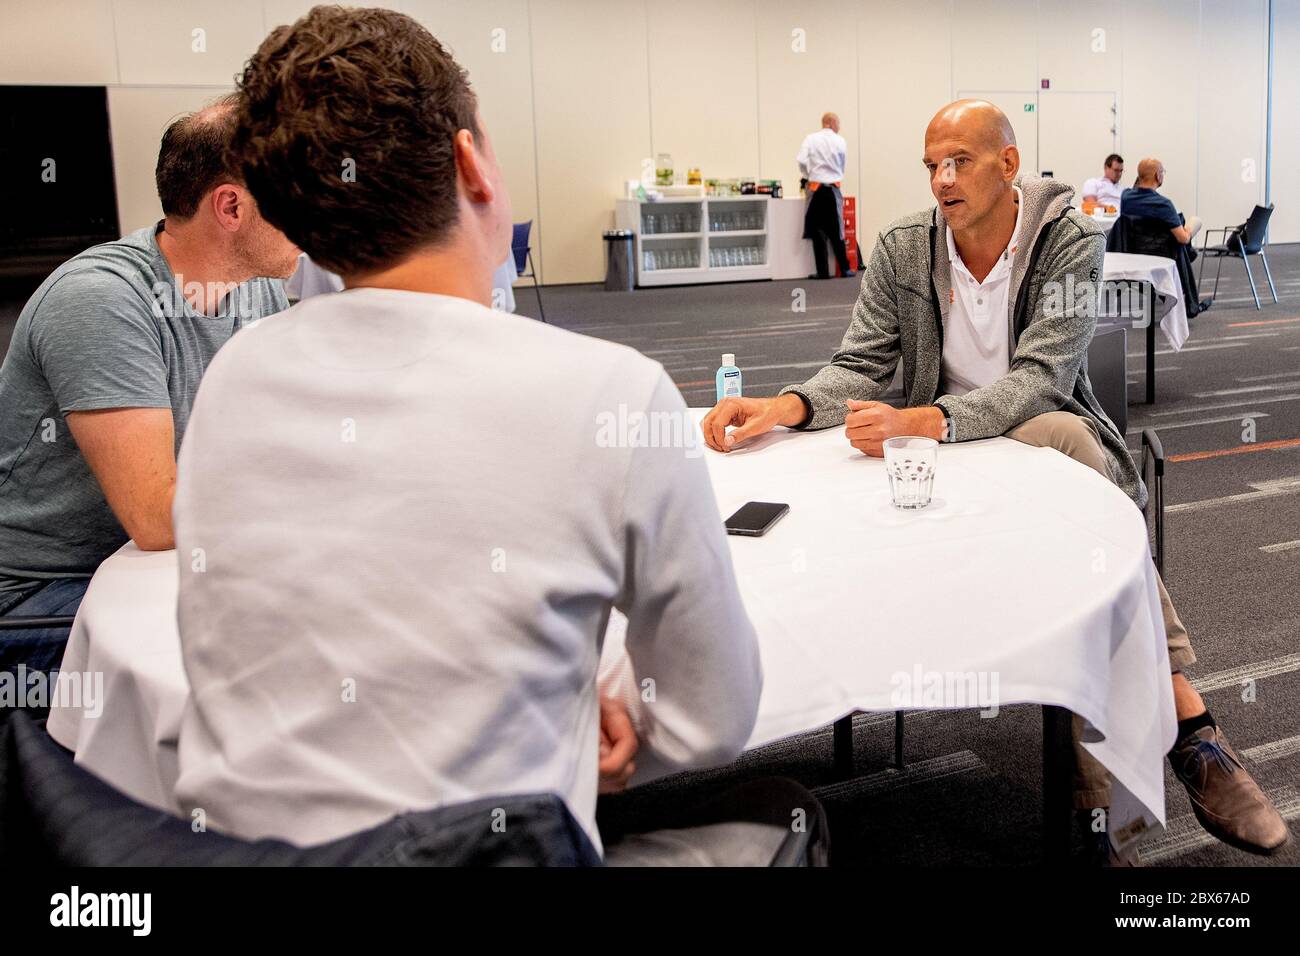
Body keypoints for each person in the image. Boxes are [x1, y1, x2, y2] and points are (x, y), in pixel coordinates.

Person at [170, 6, 766, 862]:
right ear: (470, 164)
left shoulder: (232, 380)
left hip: (233, 855)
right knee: (781, 815)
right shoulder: (612, 394)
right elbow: (713, 719)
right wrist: (580, 714)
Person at [702, 99, 1290, 860]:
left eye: (960, 162)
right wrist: (782, 405)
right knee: (1075, 521)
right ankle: (1191, 729)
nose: (942, 181)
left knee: (1070, 440)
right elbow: (862, 364)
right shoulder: (905, 246)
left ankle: (1108, 805)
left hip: (1018, 429)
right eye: (931, 166)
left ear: (1008, 166)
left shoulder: (1070, 241)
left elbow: (1042, 378)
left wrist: (923, 420)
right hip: (931, 451)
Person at [0, 95, 296, 676]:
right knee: (263, 660)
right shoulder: (101, 300)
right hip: (36, 593)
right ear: (231, 206)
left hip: (148, 564)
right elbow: (158, 518)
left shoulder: (256, 288)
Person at [1113, 157, 1211, 314]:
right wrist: (1189, 230)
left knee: (1177, 221)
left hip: (1133, 253)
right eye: (1162, 172)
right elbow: (1182, 239)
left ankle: (1188, 253)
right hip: (1162, 256)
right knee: (1190, 225)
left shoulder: (1126, 198)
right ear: (1158, 176)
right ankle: (1189, 260)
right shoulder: (1164, 205)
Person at [798, 112, 854, 279]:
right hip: (833, 188)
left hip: (815, 188)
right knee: (837, 230)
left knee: (817, 231)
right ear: (831, 122)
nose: (839, 127)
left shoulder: (810, 139)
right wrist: (836, 174)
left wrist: (809, 174)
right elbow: (843, 164)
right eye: (838, 123)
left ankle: (822, 271)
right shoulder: (840, 140)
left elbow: (801, 160)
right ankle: (844, 269)